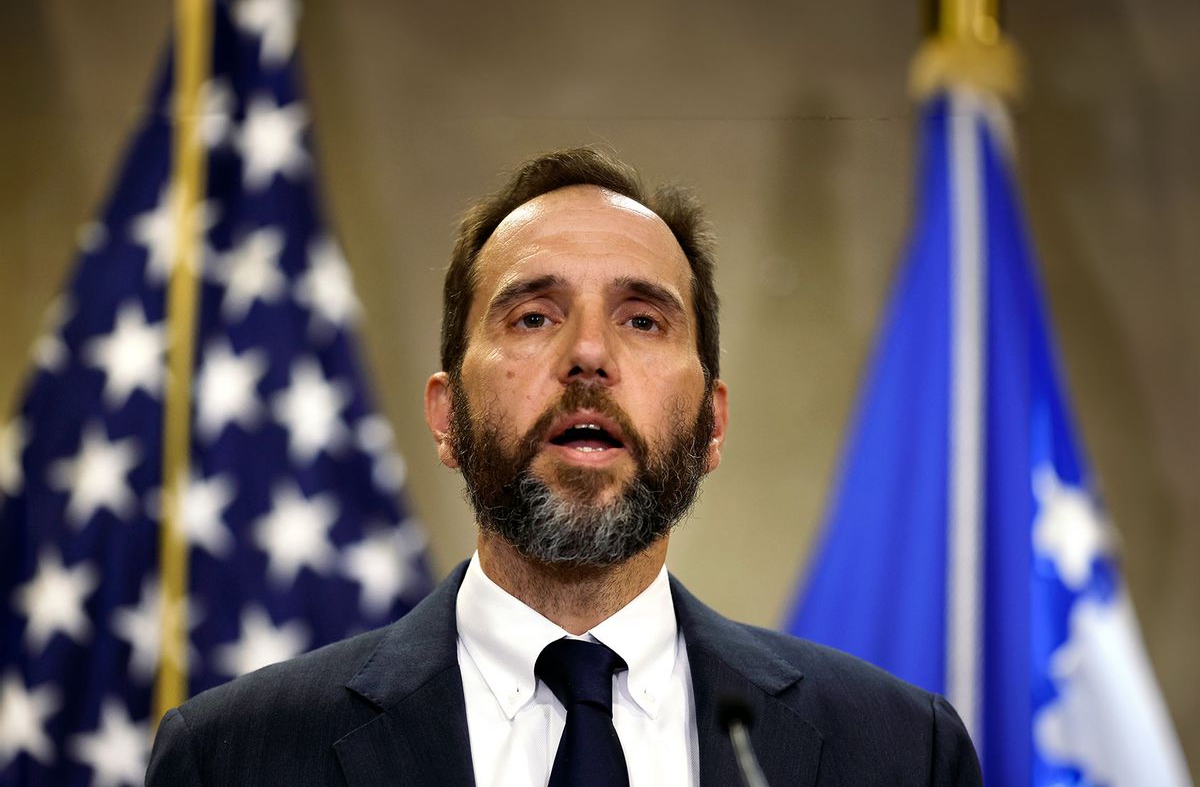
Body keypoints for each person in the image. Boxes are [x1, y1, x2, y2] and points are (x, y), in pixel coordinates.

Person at [146, 147, 982, 786]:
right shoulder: (234, 758)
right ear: (445, 416)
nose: (589, 354)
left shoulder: (901, 753)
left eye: (644, 320)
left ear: (713, 423)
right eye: (535, 315)